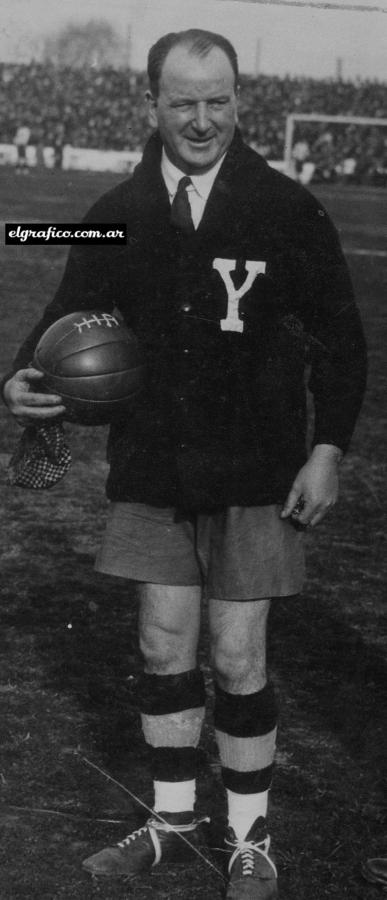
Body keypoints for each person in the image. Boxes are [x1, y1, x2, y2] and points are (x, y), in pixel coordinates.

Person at [3, 30, 367, 900]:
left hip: (255, 469)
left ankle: (250, 838)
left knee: (238, 659)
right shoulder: (115, 207)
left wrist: (327, 451)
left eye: (218, 100)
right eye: (183, 102)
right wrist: (20, 377)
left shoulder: (288, 207)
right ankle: (170, 823)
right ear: (151, 105)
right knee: (162, 645)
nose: (202, 120)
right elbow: (64, 307)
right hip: (153, 467)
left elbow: (342, 343)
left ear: (239, 100)